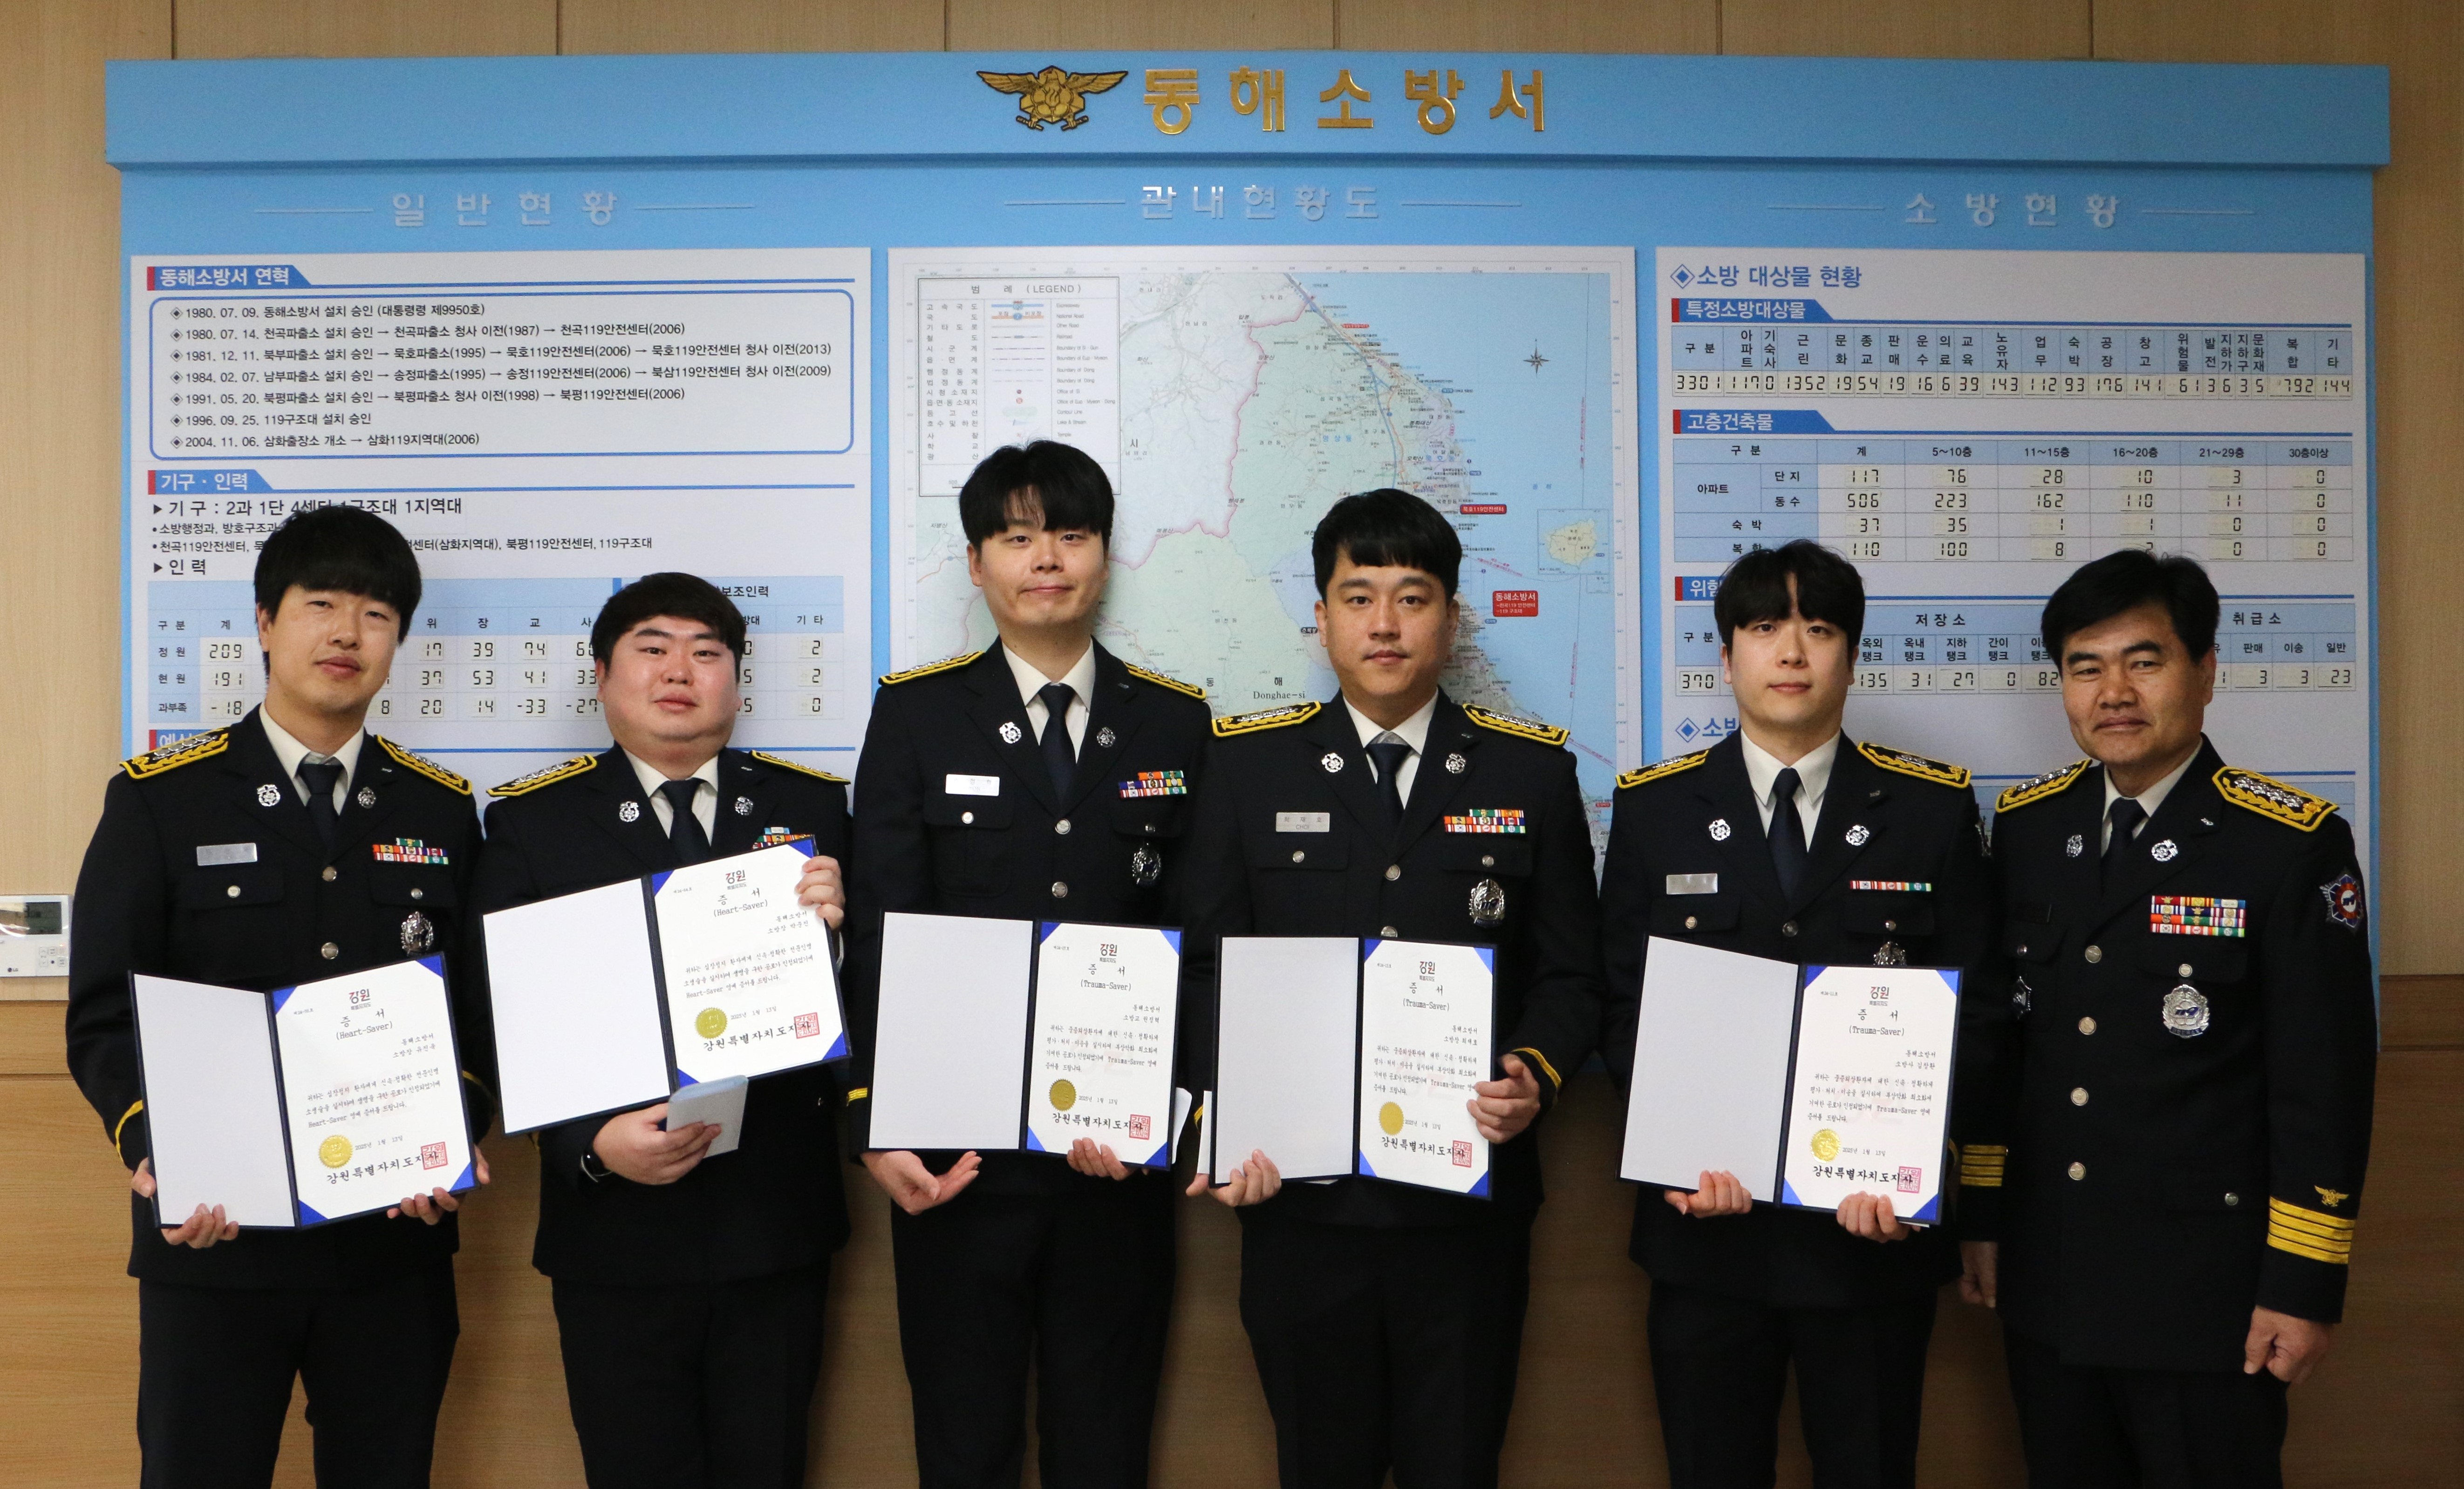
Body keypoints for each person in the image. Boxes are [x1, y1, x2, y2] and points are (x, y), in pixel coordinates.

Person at [1174, 487, 1602, 1489]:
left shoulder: (1528, 775)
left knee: (1456, 1465)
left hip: (1465, 1215)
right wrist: (1221, 1125)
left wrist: (1531, 1074)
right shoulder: (1247, 769)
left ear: (1450, 620)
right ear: (1320, 617)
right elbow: (1202, 969)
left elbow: (1572, 975)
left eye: (1411, 598)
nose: (1383, 623)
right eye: (1356, 596)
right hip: (1299, 1208)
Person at [66, 505, 491, 1489]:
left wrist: (456, 1128)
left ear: (398, 642)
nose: (348, 633)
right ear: (265, 622)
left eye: (376, 614)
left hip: (391, 1241)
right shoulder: (162, 798)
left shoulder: (438, 808)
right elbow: (104, 1011)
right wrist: (154, 1144)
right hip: (216, 1238)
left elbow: (475, 1007)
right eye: (321, 604)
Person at [840, 440, 1212, 1489]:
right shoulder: (916, 716)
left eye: (1070, 534)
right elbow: (880, 930)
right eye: (1015, 537)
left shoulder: (1176, 722)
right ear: (976, 564)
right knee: (965, 1447)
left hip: (1117, 1165)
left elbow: (1200, 940)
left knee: (1106, 1444)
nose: (1045, 558)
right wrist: (876, 1119)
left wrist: (1173, 1113)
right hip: (956, 1162)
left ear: (1104, 556)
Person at [1596, 539, 2003, 1489]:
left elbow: (1977, 1016)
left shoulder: (1929, 810)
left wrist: (1912, 1170)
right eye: (1763, 627)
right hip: (1704, 1235)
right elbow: (1623, 1004)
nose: (1790, 651)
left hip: (1870, 1243)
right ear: (1725, 655)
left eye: (1818, 629)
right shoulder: (1654, 810)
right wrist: (1676, 1150)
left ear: (1850, 658)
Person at [1982, 549, 2375, 1488]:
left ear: (2203, 670)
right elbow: (2005, 1048)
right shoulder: (2028, 829)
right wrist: (1982, 1215)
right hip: (2051, 1284)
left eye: (2143, 661)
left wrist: (2302, 1284)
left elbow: (2322, 1084)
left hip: (2209, 1301)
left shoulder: (2285, 845)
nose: (2112, 692)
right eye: (2084, 667)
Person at [471, 572, 851, 1489]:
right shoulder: (531, 823)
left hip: (774, 1222)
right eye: (652, 648)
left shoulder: (814, 812)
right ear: (601, 676)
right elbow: (496, 1013)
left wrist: (836, 943)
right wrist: (588, 1143)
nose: (680, 671)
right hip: (614, 1231)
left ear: (737, 684)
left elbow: (872, 996)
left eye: (706, 653)